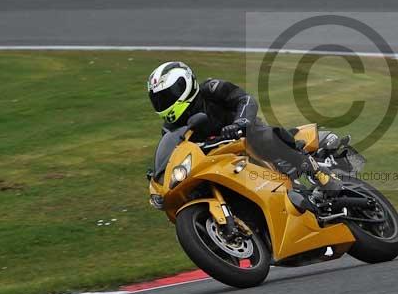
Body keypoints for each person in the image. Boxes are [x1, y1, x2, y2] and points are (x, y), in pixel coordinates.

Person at [146, 61, 342, 210]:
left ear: (185, 85)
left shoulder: (211, 89)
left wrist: (240, 122)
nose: (165, 102)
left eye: (168, 95)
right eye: (159, 100)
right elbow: (175, 153)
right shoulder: (169, 128)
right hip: (218, 160)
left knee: (262, 136)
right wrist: (160, 174)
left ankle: (320, 175)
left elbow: (245, 99)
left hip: (245, 138)